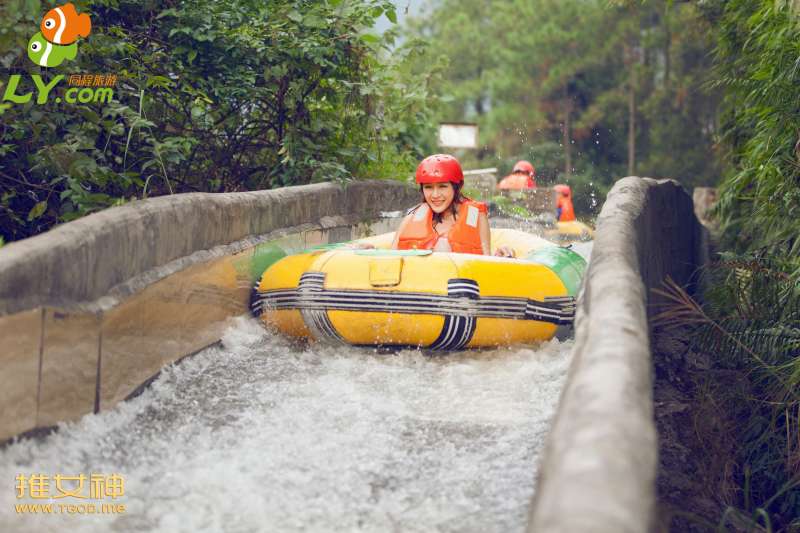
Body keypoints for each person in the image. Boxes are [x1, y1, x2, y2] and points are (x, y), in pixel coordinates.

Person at [391, 154, 514, 257]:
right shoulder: (411, 218)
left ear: (457, 187)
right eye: (428, 187)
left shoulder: (475, 217)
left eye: (443, 186)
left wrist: (500, 255)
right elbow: (390, 258)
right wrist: (372, 250)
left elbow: (486, 260)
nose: (435, 195)